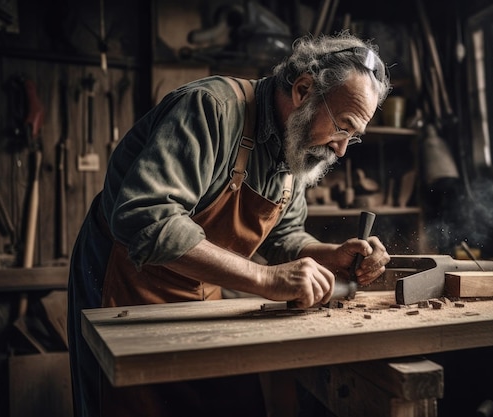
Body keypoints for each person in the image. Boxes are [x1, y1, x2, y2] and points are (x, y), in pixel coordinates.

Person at [68, 31, 392, 417]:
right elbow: (146, 220)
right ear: (303, 90)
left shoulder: (296, 146)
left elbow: (284, 237)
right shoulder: (210, 109)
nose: (340, 148)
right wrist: (265, 279)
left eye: (352, 137)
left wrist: (329, 256)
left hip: (202, 288)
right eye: (342, 126)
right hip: (126, 283)